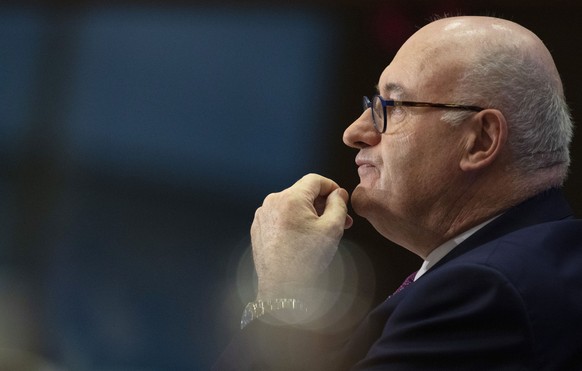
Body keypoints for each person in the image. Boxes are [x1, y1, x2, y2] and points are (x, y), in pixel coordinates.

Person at [214, 15, 582, 370]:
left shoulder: (483, 291)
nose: (355, 131)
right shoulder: (527, 264)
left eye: (391, 107)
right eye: (371, 105)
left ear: (480, 140)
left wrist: (282, 293)